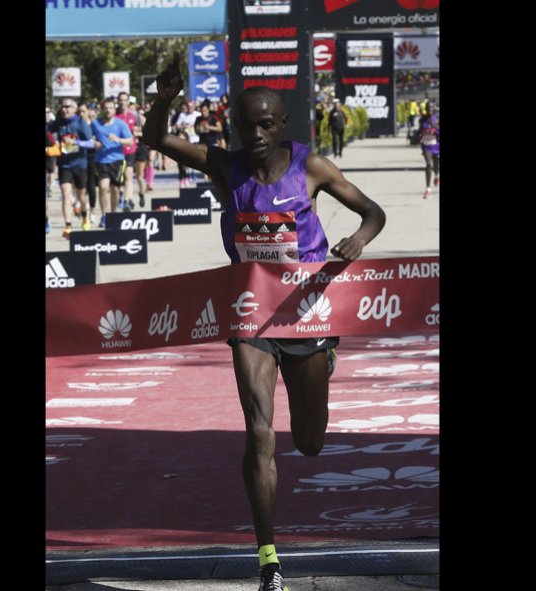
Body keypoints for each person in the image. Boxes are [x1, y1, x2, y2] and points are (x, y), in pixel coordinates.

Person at [143, 53, 386, 591]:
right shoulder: (223, 166)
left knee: (310, 442)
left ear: (282, 126)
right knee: (258, 434)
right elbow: (156, 141)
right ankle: (268, 558)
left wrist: (356, 241)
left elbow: (373, 212)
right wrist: (163, 100)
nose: (254, 134)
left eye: (264, 125)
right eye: (244, 125)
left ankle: (325, 357)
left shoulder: (312, 166)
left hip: (308, 313)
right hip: (250, 312)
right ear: (233, 128)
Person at [48, 100, 95, 236]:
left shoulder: (81, 122)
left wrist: (75, 142)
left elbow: (91, 143)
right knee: (65, 194)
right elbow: (48, 132)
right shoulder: (58, 122)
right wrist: (54, 142)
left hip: (80, 163)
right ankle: (67, 226)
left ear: (74, 109)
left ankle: (85, 216)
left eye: (67, 106)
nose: (64, 109)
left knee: (81, 195)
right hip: (64, 164)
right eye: (62, 106)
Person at [90, 97, 134, 221]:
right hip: (101, 161)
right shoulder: (95, 123)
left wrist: (118, 139)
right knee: (103, 186)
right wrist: (94, 143)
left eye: (110, 108)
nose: (108, 110)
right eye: (105, 108)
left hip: (117, 161)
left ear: (114, 110)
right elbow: (87, 137)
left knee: (115, 189)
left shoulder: (120, 124)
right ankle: (104, 215)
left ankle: (113, 214)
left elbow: (130, 141)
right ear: (102, 110)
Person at [418, 110, 440, 199]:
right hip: (426, 146)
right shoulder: (422, 121)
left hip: (436, 146)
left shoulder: (435, 120)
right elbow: (419, 134)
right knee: (428, 164)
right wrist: (421, 135)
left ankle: (436, 175)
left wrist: (435, 128)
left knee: (436, 164)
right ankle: (428, 189)